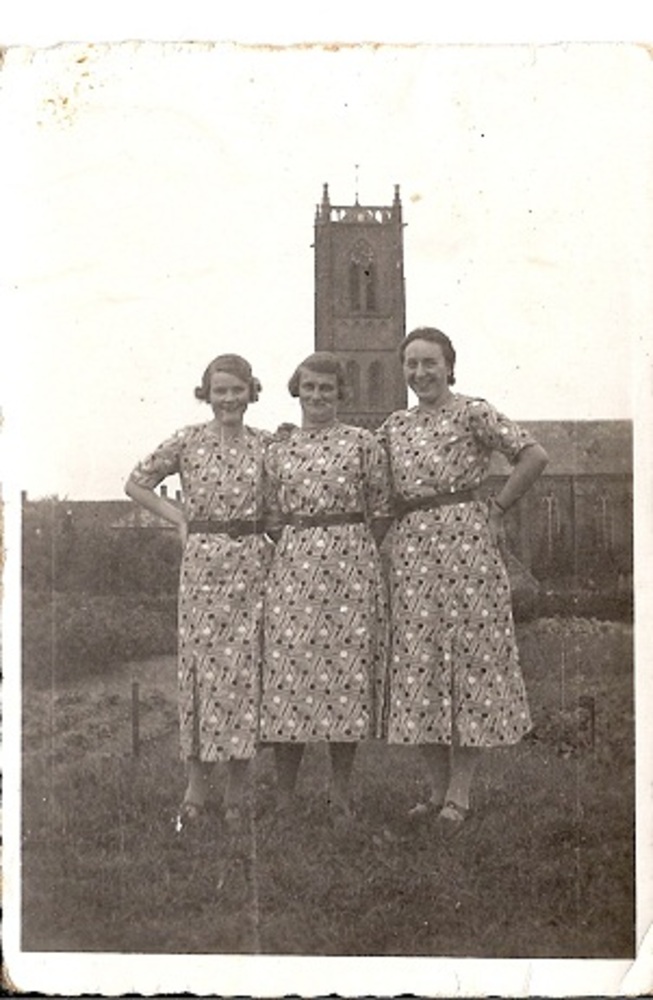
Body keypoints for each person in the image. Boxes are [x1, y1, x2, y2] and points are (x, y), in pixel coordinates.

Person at [379, 327, 548, 824]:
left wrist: (498, 507)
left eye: (429, 363)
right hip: (412, 555)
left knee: (469, 662)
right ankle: (435, 790)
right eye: (411, 364)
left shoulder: (473, 412)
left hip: (467, 551)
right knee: (419, 665)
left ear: (449, 366)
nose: (420, 373)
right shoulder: (394, 427)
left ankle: (460, 791)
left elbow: (534, 455)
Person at [125, 354, 271, 828]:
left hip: (253, 565)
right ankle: (195, 786)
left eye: (237, 390)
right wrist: (180, 518)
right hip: (203, 569)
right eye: (220, 390)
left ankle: (237, 790)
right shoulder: (187, 441)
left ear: (251, 392)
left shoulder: (266, 445)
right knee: (201, 673)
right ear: (206, 394)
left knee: (245, 673)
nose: (229, 399)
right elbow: (136, 483)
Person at [260, 351, 391, 821]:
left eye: (327, 389)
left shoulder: (363, 444)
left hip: (350, 573)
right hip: (293, 573)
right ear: (298, 390)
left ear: (341, 394)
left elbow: (382, 506)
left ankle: (340, 793)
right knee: (288, 678)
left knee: (344, 679)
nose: (317, 396)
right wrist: (302, 545)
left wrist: (351, 548)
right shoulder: (277, 450)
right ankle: (284, 798)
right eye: (310, 387)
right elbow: (269, 512)